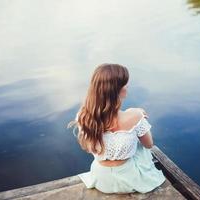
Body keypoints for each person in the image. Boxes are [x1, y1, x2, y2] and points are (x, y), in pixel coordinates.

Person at [67, 63, 166, 194]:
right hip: (129, 181)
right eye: (125, 84)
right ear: (117, 90)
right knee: (141, 148)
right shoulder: (136, 116)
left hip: (101, 180)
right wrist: (136, 114)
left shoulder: (83, 117)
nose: (128, 86)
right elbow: (149, 145)